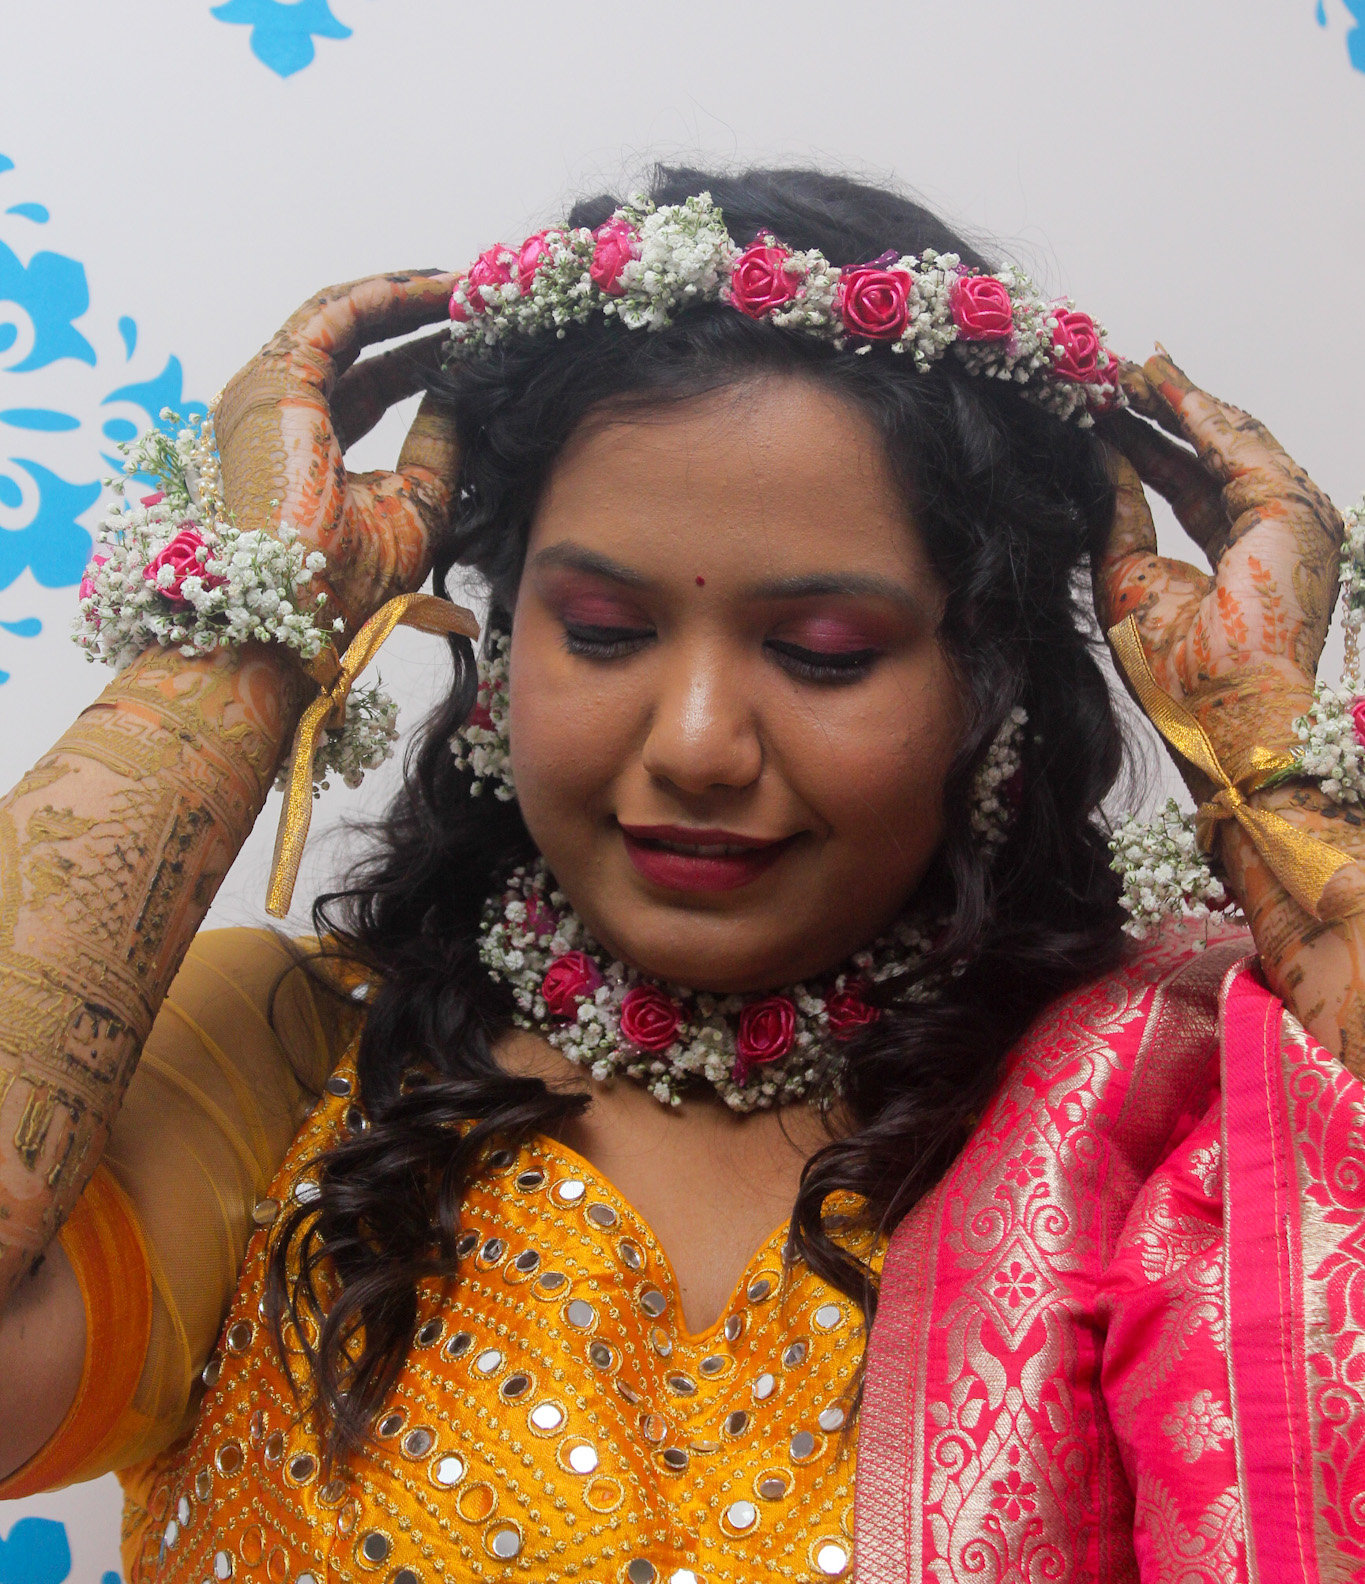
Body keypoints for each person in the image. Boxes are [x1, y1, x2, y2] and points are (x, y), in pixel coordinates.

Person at [0, 166, 1361, 1584]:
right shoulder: (289, 1059)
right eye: (601, 631)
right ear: (498, 647)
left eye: (823, 654)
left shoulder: (1150, 1106)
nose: (698, 744)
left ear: (990, 683)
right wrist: (246, 637)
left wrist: (1267, 762)